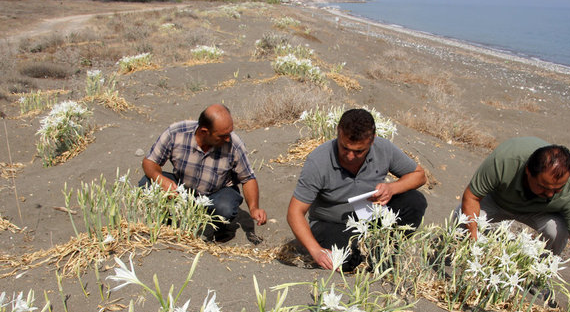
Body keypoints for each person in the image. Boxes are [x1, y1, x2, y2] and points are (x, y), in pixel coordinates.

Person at [459, 136, 570, 312]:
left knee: (558, 230)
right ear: (528, 171)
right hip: (499, 201)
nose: (551, 194)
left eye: (557, 189)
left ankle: (538, 277)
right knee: (460, 222)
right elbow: (472, 197)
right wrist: (474, 248)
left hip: (540, 212)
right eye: (544, 187)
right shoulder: (507, 159)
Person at [287, 108, 427, 271]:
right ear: (338, 133)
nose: (350, 156)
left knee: (415, 201)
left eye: (359, 151)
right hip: (331, 225)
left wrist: (391, 188)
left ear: (372, 140)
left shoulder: (384, 148)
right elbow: (294, 212)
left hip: (370, 218)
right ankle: (373, 254)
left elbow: (419, 175)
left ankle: (384, 250)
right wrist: (316, 251)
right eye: (345, 148)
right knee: (347, 256)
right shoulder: (318, 161)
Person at [139, 104, 266, 240]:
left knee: (225, 208)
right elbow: (150, 162)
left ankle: (218, 228)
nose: (228, 139)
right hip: (183, 189)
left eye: (229, 133)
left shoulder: (234, 144)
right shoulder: (176, 133)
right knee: (147, 184)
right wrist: (161, 180)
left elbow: (248, 178)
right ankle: (168, 223)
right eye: (222, 136)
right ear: (204, 131)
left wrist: (254, 208)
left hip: (216, 193)